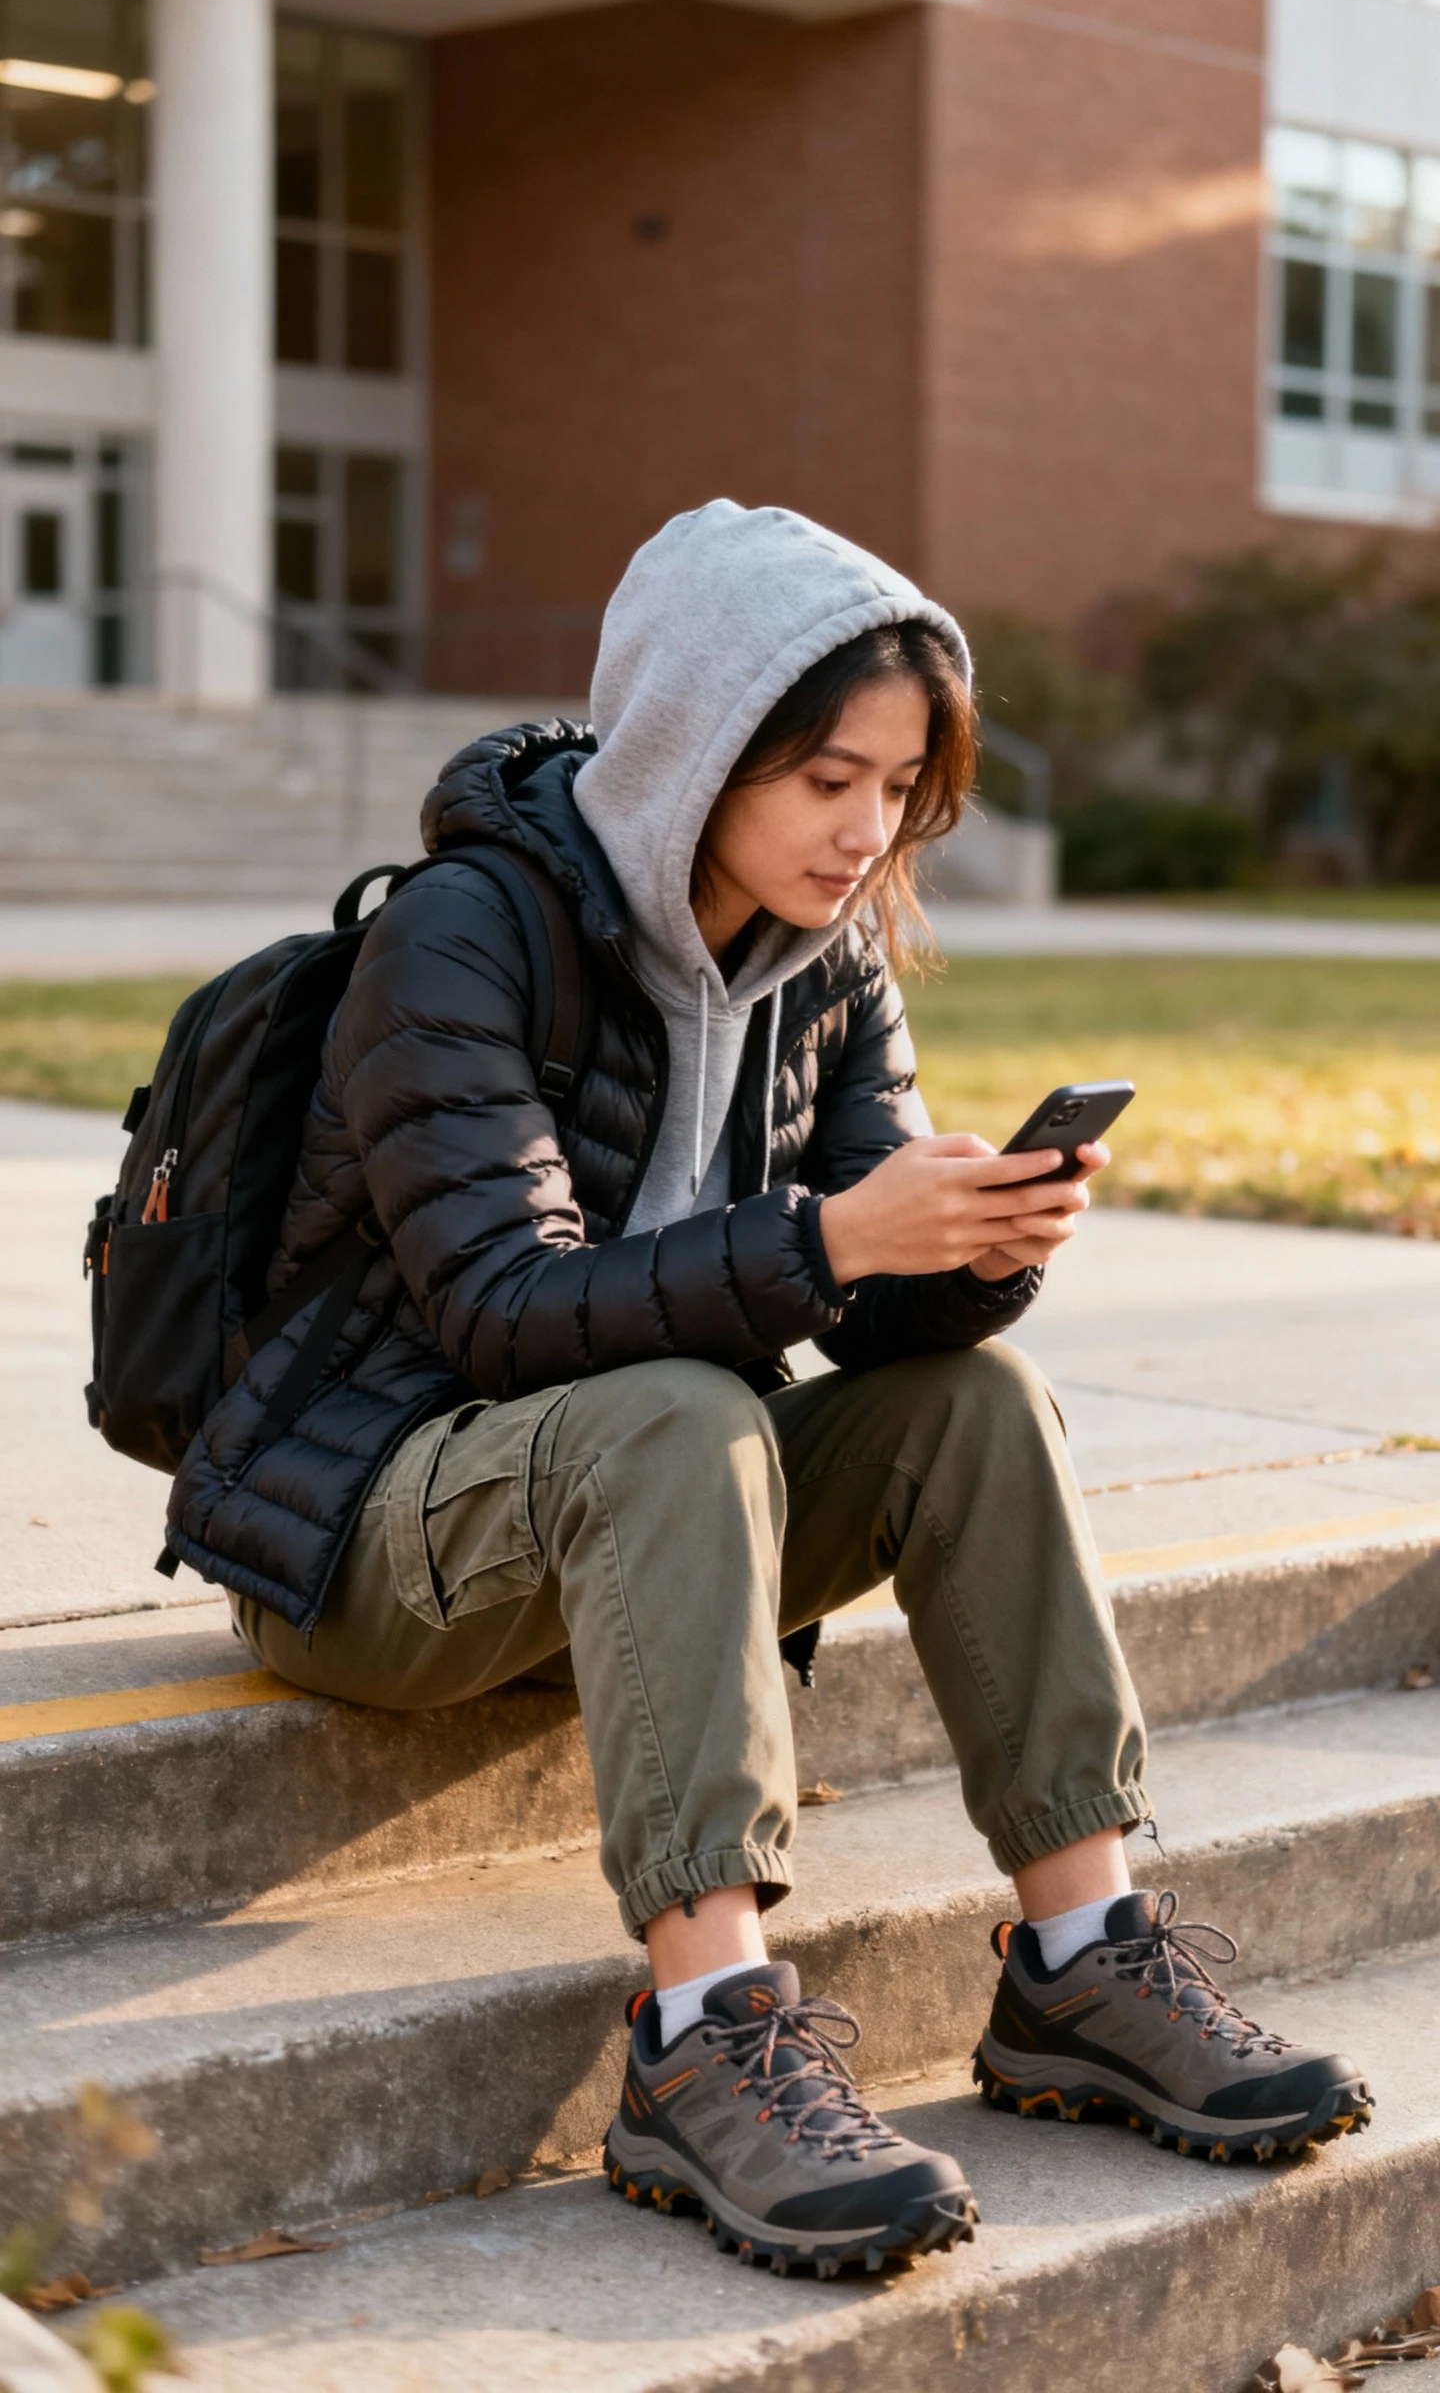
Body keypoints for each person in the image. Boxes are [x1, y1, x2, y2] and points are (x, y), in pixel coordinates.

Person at [170, 501, 1371, 2279]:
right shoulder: (463, 936)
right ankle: (705, 2032)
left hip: (640, 1512)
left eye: (895, 788)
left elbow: (879, 1334)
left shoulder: (831, 964)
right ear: (694, 744)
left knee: (980, 1408)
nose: (864, 828)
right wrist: (827, 1241)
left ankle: (1082, 1957)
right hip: (372, 1530)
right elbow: (501, 1313)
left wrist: (972, 1248)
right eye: (824, 777)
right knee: (683, 1409)